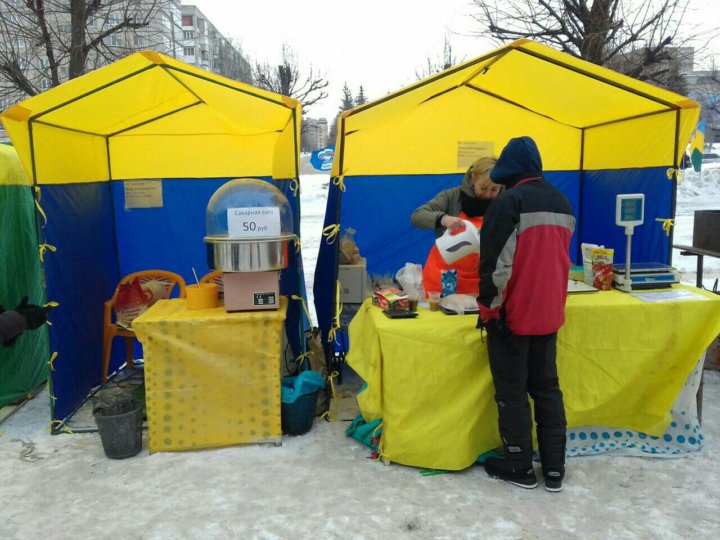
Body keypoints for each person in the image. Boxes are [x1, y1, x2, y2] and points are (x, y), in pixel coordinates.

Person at [476, 136, 575, 492]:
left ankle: (518, 465)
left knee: (512, 391)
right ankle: (553, 469)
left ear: (508, 169)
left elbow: (495, 266)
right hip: (550, 313)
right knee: (547, 389)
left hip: (514, 315)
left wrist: (489, 308)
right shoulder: (562, 201)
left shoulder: (509, 203)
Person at [411, 156, 501, 296]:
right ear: (472, 180)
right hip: (442, 280)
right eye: (483, 188)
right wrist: (443, 219)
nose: (488, 194)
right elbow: (417, 216)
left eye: (494, 189)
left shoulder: (505, 203)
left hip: (481, 282)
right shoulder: (452, 196)